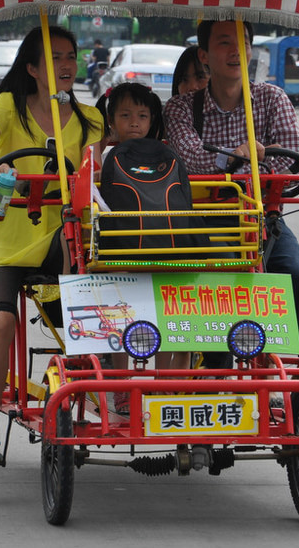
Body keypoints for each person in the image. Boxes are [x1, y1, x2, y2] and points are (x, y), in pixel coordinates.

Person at [164, 21, 299, 426]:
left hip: (261, 222)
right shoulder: (182, 108)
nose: (235, 51)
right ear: (204, 56)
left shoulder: (271, 98)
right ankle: (215, 378)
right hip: (204, 228)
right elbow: (189, 160)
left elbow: (292, 161)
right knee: (216, 290)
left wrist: (250, 159)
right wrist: (240, 156)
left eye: (242, 43)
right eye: (223, 44)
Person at [0, 26, 103, 462]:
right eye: (55, 57)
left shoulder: (89, 119)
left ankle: (97, 396)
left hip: (62, 234)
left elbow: (95, 178)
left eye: (71, 56)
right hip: (5, 236)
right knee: (2, 323)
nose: (66, 65)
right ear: (32, 68)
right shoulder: (10, 107)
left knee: (94, 314)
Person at [97, 82, 192, 413]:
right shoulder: (104, 154)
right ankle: (124, 384)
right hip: (123, 253)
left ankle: (163, 382)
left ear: (152, 120)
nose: (134, 123)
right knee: (123, 315)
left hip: (158, 249)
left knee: (166, 315)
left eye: (142, 115)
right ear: (111, 121)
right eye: (125, 116)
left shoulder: (164, 155)